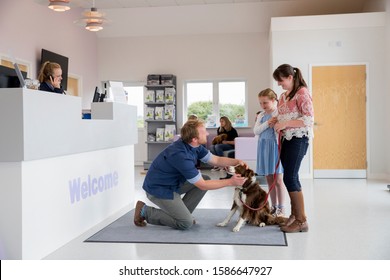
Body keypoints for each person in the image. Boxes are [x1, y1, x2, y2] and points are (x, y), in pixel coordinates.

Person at [134, 119, 247, 230]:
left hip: (173, 184)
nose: (207, 133)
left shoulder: (194, 146)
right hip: (159, 189)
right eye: (204, 132)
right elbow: (202, 185)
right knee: (185, 223)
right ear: (194, 139)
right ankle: (144, 211)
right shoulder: (180, 155)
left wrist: (236, 161)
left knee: (205, 178)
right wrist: (230, 182)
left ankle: (182, 214)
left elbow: (216, 160)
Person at [272, 64, 314, 233]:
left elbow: (308, 120)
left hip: (298, 139)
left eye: (281, 81)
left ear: (290, 77)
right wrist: (277, 121)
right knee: (289, 176)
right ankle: (295, 215)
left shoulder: (302, 93)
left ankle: (302, 221)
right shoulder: (283, 96)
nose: (279, 84)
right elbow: (282, 116)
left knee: (290, 177)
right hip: (286, 140)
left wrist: (286, 123)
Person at [254, 88, 286, 217]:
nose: (263, 106)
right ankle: (273, 206)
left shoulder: (279, 113)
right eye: (261, 103)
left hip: (274, 147)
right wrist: (268, 123)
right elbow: (256, 131)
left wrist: (276, 124)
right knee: (268, 177)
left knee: (278, 179)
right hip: (263, 146)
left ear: (273, 101)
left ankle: (281, 208)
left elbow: (281, 131)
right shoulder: (261, 115)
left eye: (265, 103)